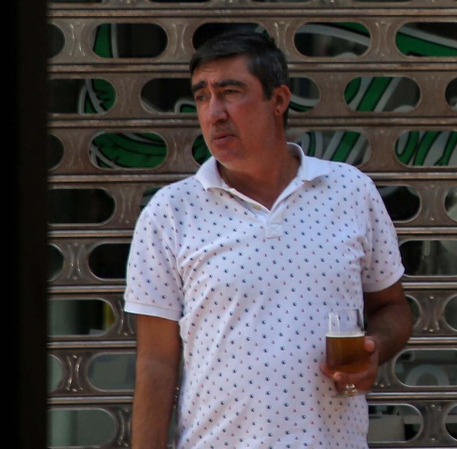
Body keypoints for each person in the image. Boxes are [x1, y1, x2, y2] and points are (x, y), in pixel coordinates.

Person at [125, 31, 411, 449]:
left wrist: (375, 348)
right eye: (202, 96)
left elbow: (392, 307)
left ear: (278, 100)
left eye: (230, 92)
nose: (214, 112)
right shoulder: (171, 213)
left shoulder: (350, 191)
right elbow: (155, 363)